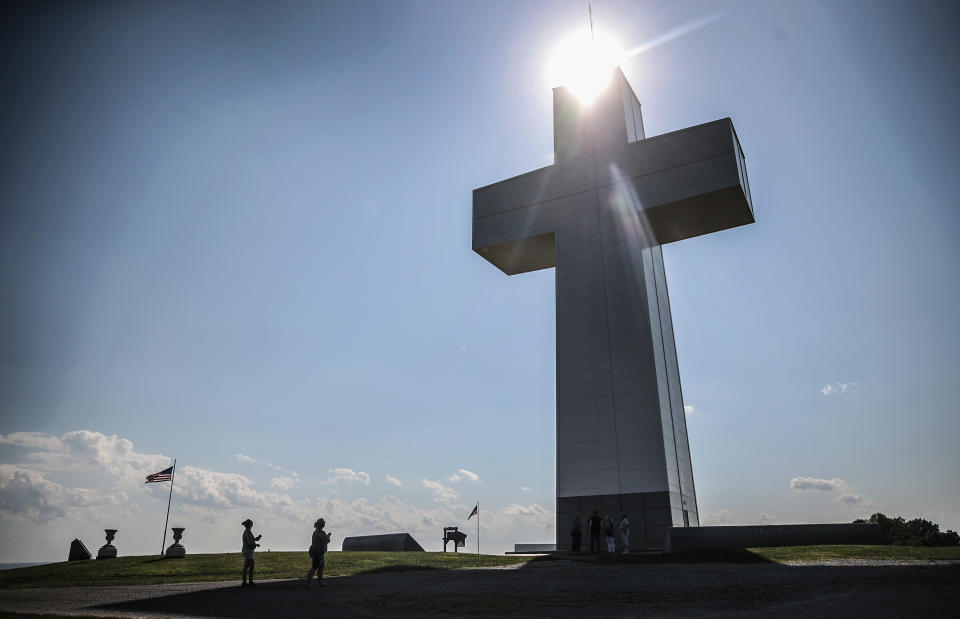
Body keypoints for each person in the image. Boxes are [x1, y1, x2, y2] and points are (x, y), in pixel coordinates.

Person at [305, 518, 332, 587]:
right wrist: (328, 536)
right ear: (322, 525)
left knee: (320, 567)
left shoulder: (315, 531)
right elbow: (326, 540)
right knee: (315, 567)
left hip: (318, 552)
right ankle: (309, 583)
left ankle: (320, 582)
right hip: (317, 552)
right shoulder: (321, 532)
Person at [241, 518, 262, 587]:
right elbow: (250, 542)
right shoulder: (247, 531)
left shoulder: (248, 531)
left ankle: (248, 581)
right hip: (248, 550)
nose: (252, 525)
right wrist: (256, 544)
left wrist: (257, 539)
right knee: (248, 566)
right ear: (249, 525)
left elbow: (251, 539)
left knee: (249, 566)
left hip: (249, 550)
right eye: (252, 524)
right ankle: (247, 582)